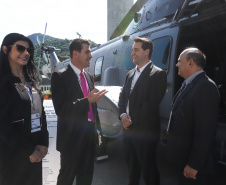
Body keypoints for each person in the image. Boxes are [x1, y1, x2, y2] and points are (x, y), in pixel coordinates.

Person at [51, 38, 107, 185]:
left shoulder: (88, 77)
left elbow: (93, 109)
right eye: (87, 52)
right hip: (71, 140)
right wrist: (87, 100)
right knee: (66, 179)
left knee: (86, 178)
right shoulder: (60, 76)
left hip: (89, 138)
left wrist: (98, 133)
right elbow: (61, 109)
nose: (91, 55)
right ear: (75, 54)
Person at [165, 47, 220, 185]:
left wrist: (194, 164)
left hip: (194, 166)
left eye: (179, 61)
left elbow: (205, 131)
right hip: (183, 159)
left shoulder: (206, 86)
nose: (176, 64)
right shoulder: (189, 84)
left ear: (190, 63)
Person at [0, 33, 49, 185]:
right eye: (20, 48)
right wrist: (29, 151)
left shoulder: (32, 79)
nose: (26, 53)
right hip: (13, 154)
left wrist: (43, 143)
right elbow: (3, 125)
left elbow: (41, 114)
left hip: (36, 150)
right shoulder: (2, 81)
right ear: (5, 49)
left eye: (29, 50)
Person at [118, 37, 167, 185]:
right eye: (132, 50)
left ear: (146, 51)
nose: (132, 53)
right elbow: (122, 98)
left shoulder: (158, 74)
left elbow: (151, 104)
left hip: (145, 132)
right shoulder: (130, 74)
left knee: (149, 171)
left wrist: (130, 120)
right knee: (132, 170)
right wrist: (122, 116)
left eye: (136, 49)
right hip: (128, 131)